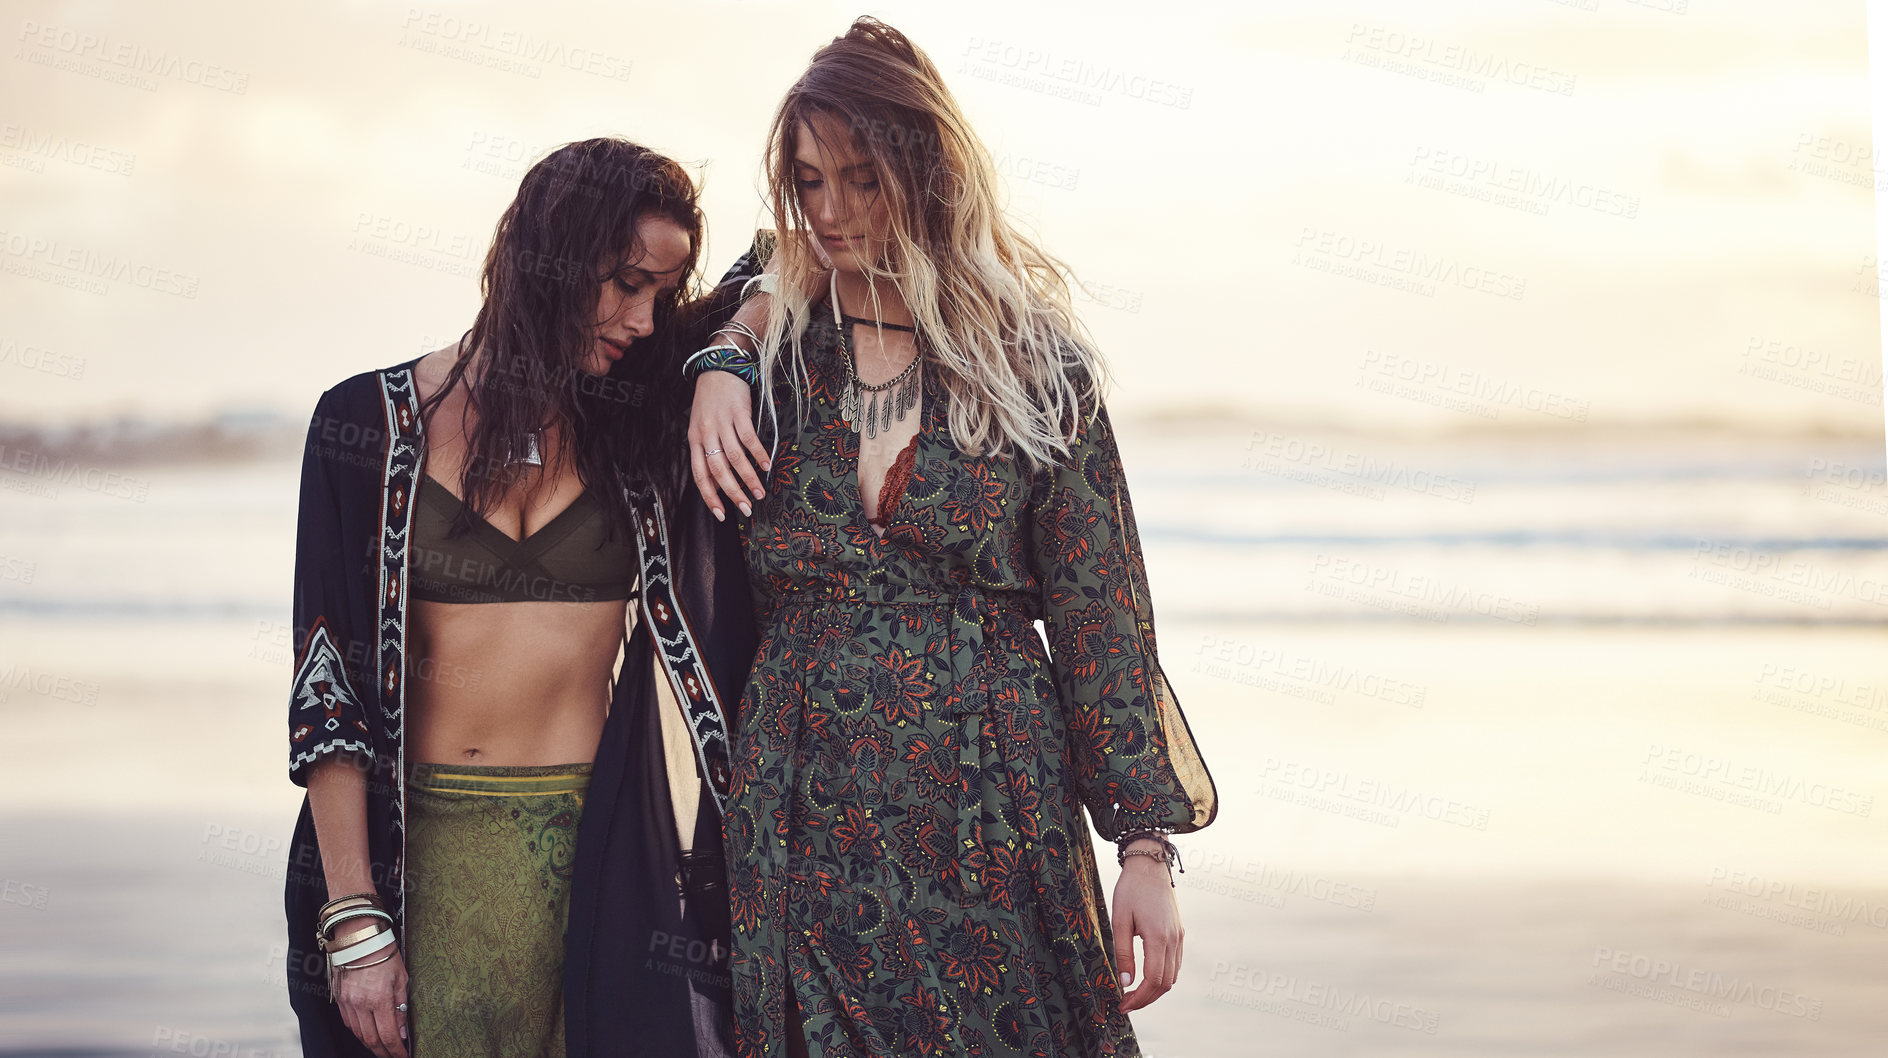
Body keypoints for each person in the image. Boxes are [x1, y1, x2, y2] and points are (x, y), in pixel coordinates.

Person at [687, 20, 1218, 1058]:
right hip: (800, 793)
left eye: (860, 179)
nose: (830, 211)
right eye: (807, 182)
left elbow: (1100, 612)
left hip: (993, 798)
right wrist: (724, 354)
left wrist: (1144, 853)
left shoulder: (1031, 363)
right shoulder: (775, 341)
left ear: (923, 172)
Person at [284, 137, 752, 1058]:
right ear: (554, 255)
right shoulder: (365, 425)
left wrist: (728, 356)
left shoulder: (636, 421)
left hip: (600, 856)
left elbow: (785, 257)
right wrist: (353, 917)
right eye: (624, 282)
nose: (647, 320)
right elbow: (326, 681)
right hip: (421, 854)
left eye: (663, 293)